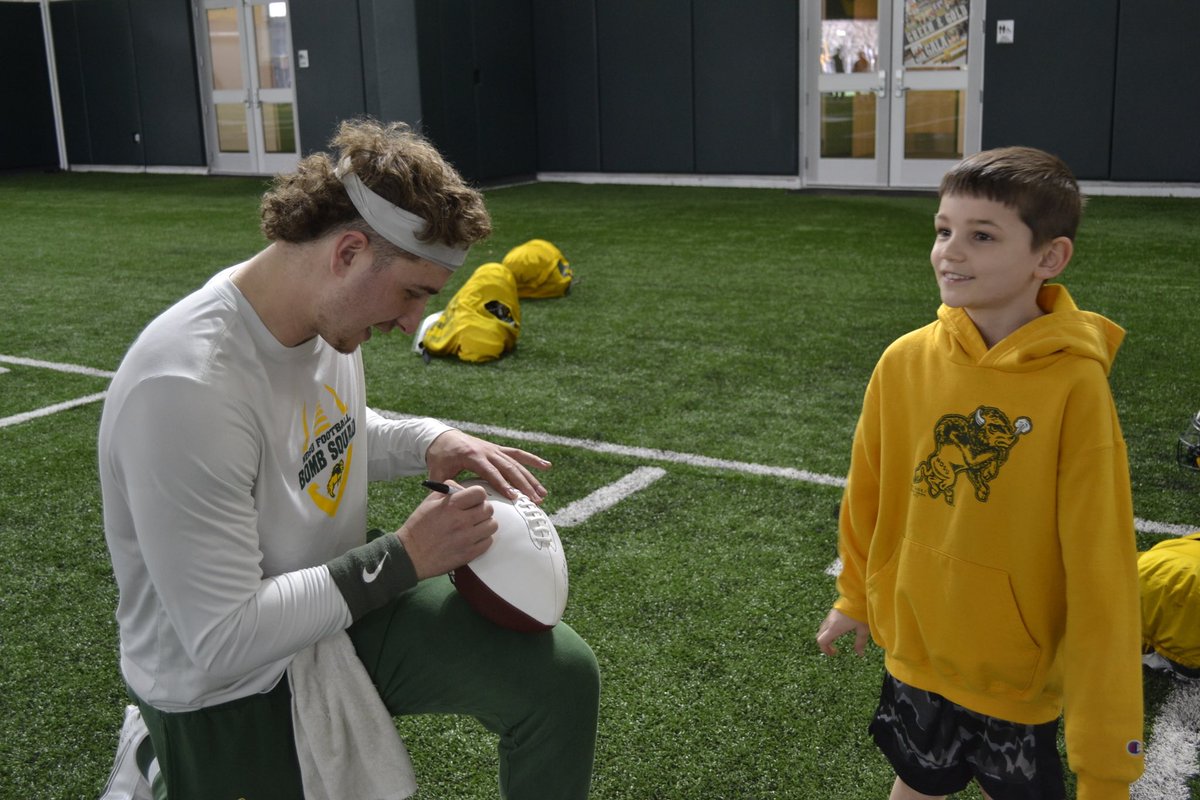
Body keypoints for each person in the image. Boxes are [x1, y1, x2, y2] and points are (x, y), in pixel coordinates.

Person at [97, 118, 600, 799]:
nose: (409, 322)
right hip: (224, 684)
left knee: (558, 678)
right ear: (349, 252)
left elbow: (326, 430)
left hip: (329, 610)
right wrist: (403, 558)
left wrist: (429, 440)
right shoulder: (184, 387)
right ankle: (157, 761)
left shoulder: (316, 322)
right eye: (413, 293)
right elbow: (222, 638)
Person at [816, 146, 1144, 800]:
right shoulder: (904, 361)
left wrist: (1106, 767)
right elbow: (868, 495)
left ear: (1047, 259)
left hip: (1016, 679)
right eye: (943, 231)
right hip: (917, 654)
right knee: (915, 783)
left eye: (981, 235)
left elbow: (1100, 568)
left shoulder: (1076, 387)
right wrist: (856, 595)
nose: (950, 252)